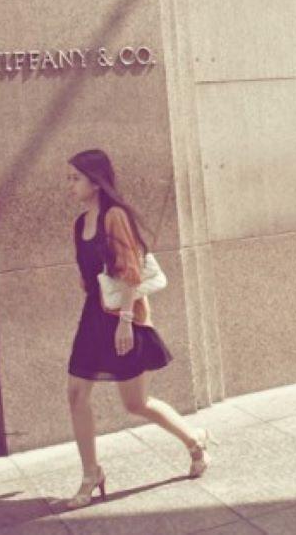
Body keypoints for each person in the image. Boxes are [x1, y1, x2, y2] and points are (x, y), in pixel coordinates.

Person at [65, 149, 212, 509]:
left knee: (136, 403)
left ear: (96, 181)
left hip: (121, 319)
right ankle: (90, 473)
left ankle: (194, 441)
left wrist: (127, 322)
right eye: (69, 179)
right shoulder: (79, 223)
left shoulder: (115, 217)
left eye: (75, 178)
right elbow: (90, 278)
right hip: (93, 319)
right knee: (75, 395)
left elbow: (130, 270)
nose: (70, 185)